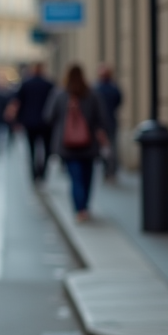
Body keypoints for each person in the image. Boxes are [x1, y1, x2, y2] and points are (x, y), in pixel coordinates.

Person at [45, 64, 109, 222]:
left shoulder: (60, 94)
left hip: (67, 145)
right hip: (89, 144)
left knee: (75, 178)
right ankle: (84, 207)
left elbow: (48, 116)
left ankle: (79, 209)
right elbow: (102, 118)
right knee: (87, 177)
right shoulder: (92, 94)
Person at [9, 62, 55, 182]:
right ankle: (43, 172)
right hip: (46, 122)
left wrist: (16, 120)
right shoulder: (49, 84)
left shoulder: (26, 84)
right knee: (46, 149)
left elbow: (18, 103)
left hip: (29, 122)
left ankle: (34, 173)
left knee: (31, 150)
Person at [94, 64, 123, 182]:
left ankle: (108, 169)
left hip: (101, 123)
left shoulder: (96, 88)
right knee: (112, 147)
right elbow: (119, 101)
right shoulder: (113, 88)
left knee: (104, 147)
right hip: (110, 121)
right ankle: (111, 170)